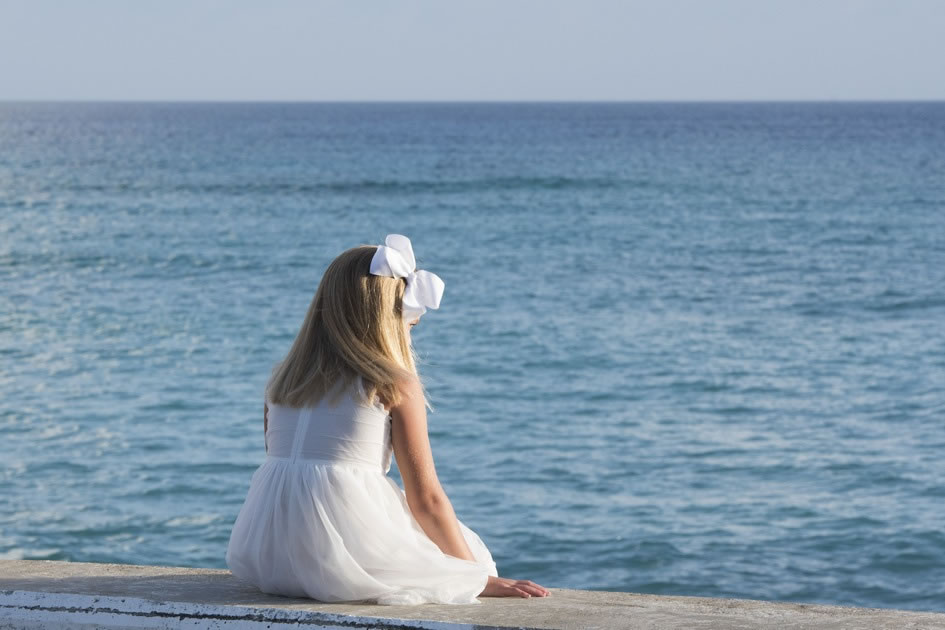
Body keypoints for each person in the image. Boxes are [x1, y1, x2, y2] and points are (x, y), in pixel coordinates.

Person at [226, 234, 550, 605]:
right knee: (472, 554)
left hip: (269, 555)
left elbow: (292, 471)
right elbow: (425, 499)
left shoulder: (282, 380)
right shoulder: (392, 383)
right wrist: (476, 577)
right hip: (343, 565)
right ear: (389, 315)